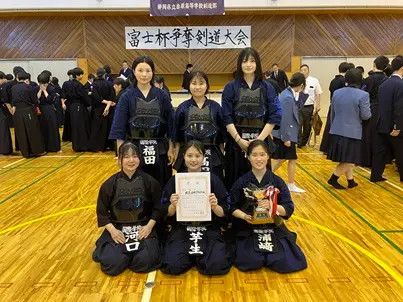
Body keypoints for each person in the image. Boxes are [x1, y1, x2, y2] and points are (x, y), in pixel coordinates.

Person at [229, 140, 307, 273]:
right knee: (249, 261)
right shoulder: (241, 182)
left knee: (286, 261)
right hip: (248, 226)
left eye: (262, 154)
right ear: (248, 157)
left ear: (268, 156)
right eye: (254, 155)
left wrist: (273, 207)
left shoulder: (277, 181)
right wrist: (244, 216)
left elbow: (288, 207)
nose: (258, 159)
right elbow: (231, 207)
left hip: (273, 226)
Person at [160, 141, 232, 275]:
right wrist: (173, 206)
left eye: (198, 156)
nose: (193, 160)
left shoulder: (213, 180)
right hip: (183, 227)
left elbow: (225, 211)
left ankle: (201, 257)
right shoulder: (176, 180)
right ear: (183, 156)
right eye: (189, 155)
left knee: (216, 265)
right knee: (172, 265)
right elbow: (166, 213)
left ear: (204, 157)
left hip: (208, 228)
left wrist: (215, 207)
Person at [92, 142, 163, 276]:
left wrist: (149, 227)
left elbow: (158, 208)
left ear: (139, 159)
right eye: (126, 157)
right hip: (118, 228)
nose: (131, 160)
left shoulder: (150, 182)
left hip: (143, 227)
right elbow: (102, 212)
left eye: (135, 156)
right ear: (119, 160)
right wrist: (113, 231)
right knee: (113, 263)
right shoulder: (109, 185)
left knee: (145, 261)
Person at [109, 56, 175, 187]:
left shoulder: (162, 95)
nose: (144, 75)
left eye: (148, 70)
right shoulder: (126, 96)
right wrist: (122, 153)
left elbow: (171, 124)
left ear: (153, 72)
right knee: (137, 186)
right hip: (134, 149)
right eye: (140, 70)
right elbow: (119, 127)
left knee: (160, 184)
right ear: (133, 71)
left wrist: (171, 149)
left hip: (160, 148)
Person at [221, 47, 282, 190]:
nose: (248, 64)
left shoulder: (267, 87)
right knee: (234, 180)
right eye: (244, 61)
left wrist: (259, 140)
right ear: (239, 64)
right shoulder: (231, 87)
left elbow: (274, 115)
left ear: (258, 64)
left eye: (252, 61)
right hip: (236, 141)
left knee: (261, 183)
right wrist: (238, 140)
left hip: (261, 138)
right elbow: (226, 116)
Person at [173, 71, 226, 180]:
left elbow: (222, 136)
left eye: (201, 83)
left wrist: (221, 156)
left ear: (207, 85)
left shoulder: (216, 107)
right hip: (189, 155)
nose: (198, 87)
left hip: (213, 154)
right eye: (194, 83)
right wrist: (177, 156)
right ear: (188, 85)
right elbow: (177, 137)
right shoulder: (182, 108)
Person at [327, 68, 371, 189]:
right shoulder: (363, 95)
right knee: (350, 159)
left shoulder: (337, 93)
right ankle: (333, 179)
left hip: (336, 129)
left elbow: (333, 113)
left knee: (347, 158)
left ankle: (350, 181)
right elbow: (366, 115)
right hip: (352, 132)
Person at [272, 72, 306, 193]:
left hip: (285, 133)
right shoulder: (287, 97)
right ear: (301, 85)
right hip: (286, 134)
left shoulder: (287, 93)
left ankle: (289, 182)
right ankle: (289, 184)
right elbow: (285, 118)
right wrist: (286, 138)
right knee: (284, 159)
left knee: (285, 158)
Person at [371, 55, 403, 183]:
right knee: (400, 152)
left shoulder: (384, 84)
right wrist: (397, 126)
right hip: (393, 126)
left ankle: (376, 175)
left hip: (381, 123)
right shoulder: (400, 84)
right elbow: (399, 108)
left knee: (380, 151)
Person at [360, 56, 390, 168]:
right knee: (380, 136)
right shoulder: (388, 80)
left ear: (374, 64)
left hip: (370, 108)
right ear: (386, 66)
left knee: (367, 134)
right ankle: (380, 161)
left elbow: (361, 94)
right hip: (383, 110)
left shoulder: (367, 80)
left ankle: (365, 160)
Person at [320, 62, 354, 154]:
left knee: (329, 127)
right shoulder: (344, 82)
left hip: (333, 105)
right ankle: (337, 149)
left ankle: (326, 148)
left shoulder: (333, 80)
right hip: (341, 108)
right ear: (347, 71)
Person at [11, 71, 46, 158]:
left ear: (18, 78)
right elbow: (34, 100)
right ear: (27, 79)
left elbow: (13, 101)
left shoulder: (13, 88)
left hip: (18, 111)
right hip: (28, 110)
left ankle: (25, 153)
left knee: (21, 132)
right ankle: (36, 151)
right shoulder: (28, 87)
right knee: (33, 131)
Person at [61, 67, 91, 152]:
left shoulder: (67, 84)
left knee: (74, 126)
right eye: (81, 74)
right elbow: (84, 96)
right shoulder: (78, 85)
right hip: (79, 106)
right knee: (81, 126)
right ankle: (82, 146)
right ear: (77, 76)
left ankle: (76, 146)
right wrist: (89, 103)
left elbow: (64, 95)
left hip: (71, 106)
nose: (82, 76)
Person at [88, 68, 115, 152]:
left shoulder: (94, 85)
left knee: (98, 128)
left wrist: (105, 103)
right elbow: (112, 96)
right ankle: (110, 146)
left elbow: (96, 97)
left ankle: (98, 147)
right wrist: (108, 105)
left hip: (98, 108)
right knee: (108, 126)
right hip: (109, 108)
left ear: (96, 74)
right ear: (104, 75)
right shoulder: (110, 84)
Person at [35, 72, 61, 153]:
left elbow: (50, 100)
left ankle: (55, 147)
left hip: (49, 109)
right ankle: (44, 147)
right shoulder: (36, 88)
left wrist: (45, 91)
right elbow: (36, 99)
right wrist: (40, 90)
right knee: (42, 128)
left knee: (52, 127)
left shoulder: (51, 88)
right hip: (41, 109)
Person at [298, 64, 322, 148]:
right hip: (298, 106)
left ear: (308, 71)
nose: (303, 71)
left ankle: (303, 142)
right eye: (302, 70)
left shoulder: (314, 81)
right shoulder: (297, 80)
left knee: (307, 126)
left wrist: (318, 105)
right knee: (298, 124)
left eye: (305, 70)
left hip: (309, 107)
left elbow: (318, 93)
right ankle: (299, 141)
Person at [0, 71, 12, 155]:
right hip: (1, 111)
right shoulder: (3, 88)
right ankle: (5, 150)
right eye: (3, 79)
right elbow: (5, 100)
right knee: (3, 130)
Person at [61, 69, 74, 142]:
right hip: (68, 103)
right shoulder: (66, 83)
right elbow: (63, 94)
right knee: (68, 119)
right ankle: (67, 136)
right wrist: (63, 103)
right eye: (70, 75)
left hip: (73, 103)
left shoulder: (76, 83)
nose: (71, 76)